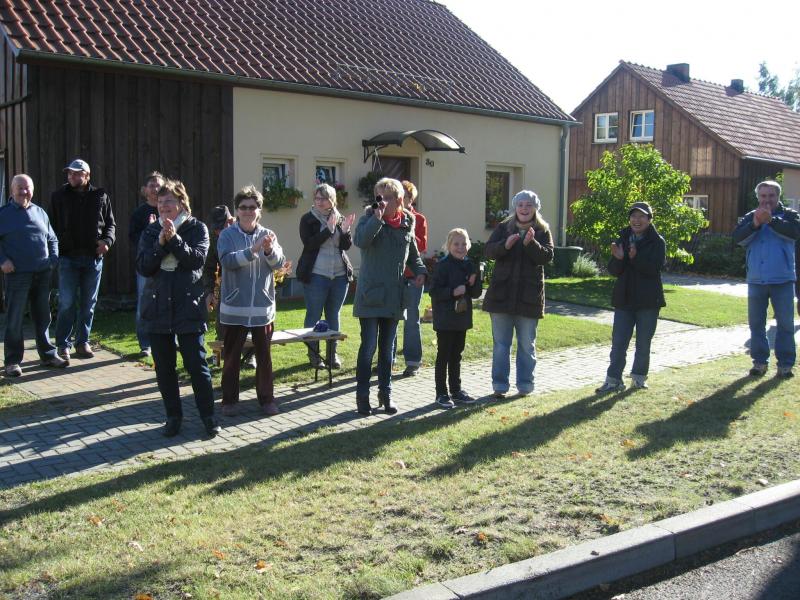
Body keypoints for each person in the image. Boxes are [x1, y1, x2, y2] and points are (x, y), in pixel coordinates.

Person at [136, 179, 220, 438]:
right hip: (158, 306)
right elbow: (144, 266)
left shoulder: (197, 228)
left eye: (169, 202)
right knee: (164, 369)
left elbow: (195, 260)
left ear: (182, 203)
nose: (163, 207)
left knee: (197, 366)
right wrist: (160, 244)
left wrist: (173, 240)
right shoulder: (151, 231)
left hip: (188, 306)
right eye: (160, 202)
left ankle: (208, 417)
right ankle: (173, 417)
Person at [353, 177, 426, 416]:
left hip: (394, 295)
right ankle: (362, 396)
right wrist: (376, 219)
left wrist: (420, 272)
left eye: (387, 198)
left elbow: (413, 253)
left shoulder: (407, 221)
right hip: (371, 295)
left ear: (399, 200)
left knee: (387, 350)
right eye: (379, 197)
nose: (382, 202)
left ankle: (386, 394)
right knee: (368, 348)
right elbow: (360, 241)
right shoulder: (368, 218)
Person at [217, 185, 286, 417]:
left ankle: (267, 400)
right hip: (234, 308)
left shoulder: (268, 233)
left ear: (259, 210)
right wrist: (253, 250)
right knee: (231, 357)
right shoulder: (227, 235)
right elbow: (227, 261)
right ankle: (229, 400)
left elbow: (279, 263)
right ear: (237, 211)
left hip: (262, 309)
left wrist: (269, 251)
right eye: (243, 207)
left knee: (264, 358)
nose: (248, 211)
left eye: (252, 207)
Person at [483, 190, 554, 398]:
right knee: (501, 346)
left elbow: (547, 257)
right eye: (521, 204)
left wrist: (531, 243)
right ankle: (499, 386)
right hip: (501, 297)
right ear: (515, 207)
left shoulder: (542, 230)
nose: (524, 208)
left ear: (535, 208)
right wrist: (504, 245)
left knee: (526, 346)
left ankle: (525, 386)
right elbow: (488, 251)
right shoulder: (503, 227)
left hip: (528, 299)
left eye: (529, 205)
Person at [49, 158, 116, 362]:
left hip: (93, 258)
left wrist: (107, 241)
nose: (72, 176)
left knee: (88, 304)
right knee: (67, 303)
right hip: (68, 258)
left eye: (77, 173)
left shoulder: (100, 196)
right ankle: (63, 344)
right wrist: (56, 249)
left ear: (87, 176)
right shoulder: (58, 196)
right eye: (70, 173)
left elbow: (111, 225)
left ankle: (82, 342)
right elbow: (50, 226)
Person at [0, 174, 68, 377]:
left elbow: (52, 238)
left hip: (42, 274)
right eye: (20, 188)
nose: (24, 192)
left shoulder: (40, 212)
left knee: (43, 317)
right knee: (14, 319)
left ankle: (48, 355)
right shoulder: (3, 214)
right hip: (17, 275)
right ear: (12, 190)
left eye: (27, 188)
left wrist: (53, 259)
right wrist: (3, 260)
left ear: (33, 190)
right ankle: (12, 361)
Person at [595, 202, 666, 393]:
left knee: (643, 343)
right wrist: (619, 259)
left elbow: (654, 269)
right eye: (633, 216)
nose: (637, 220)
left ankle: (639, 379)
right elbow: (614, 271)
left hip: (648, 301)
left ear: (649, 220)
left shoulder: (657, 242)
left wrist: (635, 258)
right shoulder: (623, 238)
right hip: (624, 299)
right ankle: (613, 380)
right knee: (618, 343)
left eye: (642, 216)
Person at [733, 180, 800, 378]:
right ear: (758, 197)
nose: (767, 200)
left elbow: (795, 233)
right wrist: (755, 224)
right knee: (756, 325)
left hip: (783, 280)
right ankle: (759, 363)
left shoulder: (790, 215)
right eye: (763, 196)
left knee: (785, 325)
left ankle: (785, 365)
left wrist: (771, 221)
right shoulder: (750, 217)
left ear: (778, 196)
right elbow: (737, 238)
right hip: (756, 280)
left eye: (771, 196)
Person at [296, 183, 355, 369]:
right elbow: (309, 244)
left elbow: (345, 246)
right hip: (316, 274)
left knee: (333, 314)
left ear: (332, 200)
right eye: (317, 198)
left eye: (324, 198)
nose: (319, 202)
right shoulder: (307, 219)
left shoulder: (339, 218)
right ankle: (314, 355)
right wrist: (328, 230)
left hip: (339, 276)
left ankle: (332, 355)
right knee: (313, 314)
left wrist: (344, 231)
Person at [429, 228, 482, 408]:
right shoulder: (442, 265)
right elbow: (434, 291)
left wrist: (476, 279)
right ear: (449, 245)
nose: (460, 247)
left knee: (456, 355)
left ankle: (456, 390)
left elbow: (475, 293)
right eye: (456, 244)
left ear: (469, 246)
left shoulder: (469, 265)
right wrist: (452, 292)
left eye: (464, 244)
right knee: (443, 355)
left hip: (461, 318)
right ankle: (441, 393)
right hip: (445, 319)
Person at [128, 171, 164, 357]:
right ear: (145, 190)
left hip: (166, 262)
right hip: (146, 264)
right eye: (152, 185)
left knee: (168, 300)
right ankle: (145, 344)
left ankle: (170, 339)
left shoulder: (168, 209)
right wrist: (149, 230)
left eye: (159, 185)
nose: (156, 189)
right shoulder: (139, 213)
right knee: (144, 301)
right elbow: (133, 237)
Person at [397, 180, 428, 376]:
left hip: (412, 277)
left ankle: (413, 362)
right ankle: (387, 359)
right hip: (393, 277)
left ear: (410, 199)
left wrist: (407, 227)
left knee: (411, 320)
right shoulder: (389, 217)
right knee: (390, 318)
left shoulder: (419, 219)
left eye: (405, 196)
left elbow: (421, 246)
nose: (401, 200)